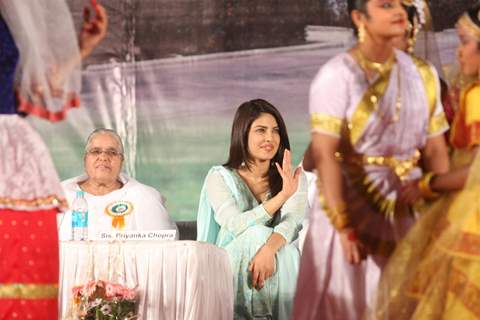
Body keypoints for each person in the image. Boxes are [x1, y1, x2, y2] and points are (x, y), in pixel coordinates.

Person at [293, 0, 450, 319]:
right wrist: (345, 227)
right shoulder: (337, 75)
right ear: (359, 18)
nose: (398, 12)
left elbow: (435, 151)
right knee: (352, 302)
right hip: (352, 206)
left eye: (401, 6)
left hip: (407, 205)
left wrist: (443, 215)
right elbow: (323, 154)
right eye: (385, 5)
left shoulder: (424, 74)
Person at [0, 1, 107, 318]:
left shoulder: (8, 16)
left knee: (23, 278)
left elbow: (28, 92)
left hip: (15, 157)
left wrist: (79, 50)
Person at [374, 5, 480, 319]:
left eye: (464, 42)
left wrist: (426, 185)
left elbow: (475, 170)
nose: (458, 53)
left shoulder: (476, 96)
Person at [196, 99, 307, 319]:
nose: (270, 138)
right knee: (256, 234)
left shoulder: (293, 176)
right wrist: (282, 196)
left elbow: (291, 223)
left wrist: (268, 250)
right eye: (261, 130)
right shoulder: (219, 177)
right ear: (242, 134)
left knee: (282, 249)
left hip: (277, 255)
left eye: (275, 131)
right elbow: (234, 224)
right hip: (229, 262)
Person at [58, 128, 178, 240]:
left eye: (112, 152)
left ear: (121, 161)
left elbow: (166, 248)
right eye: (96, 151)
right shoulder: (58, 195)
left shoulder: (144, 197)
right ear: (85, 159)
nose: (103, 157)